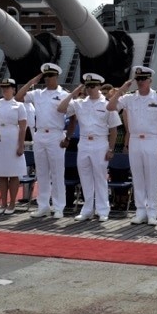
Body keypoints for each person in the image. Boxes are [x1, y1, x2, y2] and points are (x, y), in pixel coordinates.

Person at [107, 66, 157, 226]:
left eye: (143, 79)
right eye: (138, 79)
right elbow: (110, 106)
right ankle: (140, 210)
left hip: (152, 140)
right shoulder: (129, 98)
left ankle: (152, 212)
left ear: (150, 80)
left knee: (152, 177)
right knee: (138, 177)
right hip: (135, 140)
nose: (140, 82)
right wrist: (121, 89)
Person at [58, 73, 121, 222]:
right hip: (84, 142)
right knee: (85, 177)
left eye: (93, 86)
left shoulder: (107, 104)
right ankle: (87, 209)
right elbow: (61, 108)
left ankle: (102, 210)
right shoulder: (79, 103)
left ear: (99, 86)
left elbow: (113, 129)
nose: (89, 89)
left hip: (100, 142)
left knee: (100, 177)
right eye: (87, 86)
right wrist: (74, 92)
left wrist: (111, 149)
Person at [15, 62, 69, 219]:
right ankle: (43, 206)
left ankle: (59, 207)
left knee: (57, 173)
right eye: (45, 76)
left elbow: (71, 117)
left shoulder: (63, 94)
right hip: (40, 135)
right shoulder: (38, 93)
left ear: (57, 76)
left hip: (55, 134)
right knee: (42, 173)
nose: (48, 79)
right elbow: (19, 97)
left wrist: (69, 137)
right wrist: (32, 82)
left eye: (51, 76)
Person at [0, 79, 27, 215]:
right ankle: (4, 202)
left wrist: (21, 145)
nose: (5, 90)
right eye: (3, 88)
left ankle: (12, 202)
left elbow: (23, 127)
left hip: (13, 138)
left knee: (13, 174)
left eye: (8, 88)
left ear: (14, 89)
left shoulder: (19, 106)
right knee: (1, 174)